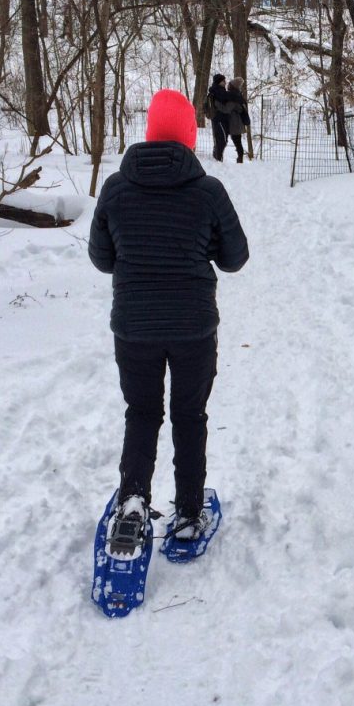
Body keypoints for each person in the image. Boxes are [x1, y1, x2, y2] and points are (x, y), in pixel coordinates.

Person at [88, 88, 249, 551]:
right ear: (189, 135)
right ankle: (188, 512)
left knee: (142, 412)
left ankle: (134, 502)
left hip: (134, 327)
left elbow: (102, 260)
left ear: (150, 133)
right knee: (188, 414)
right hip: (193, 328)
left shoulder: (116, 189)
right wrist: (204, 246)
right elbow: (236, 258)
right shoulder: (207, 191)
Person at [209, 74, 251, 163]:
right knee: (229, 140)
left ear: (233, 86)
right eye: (226, 82)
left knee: (236, 141)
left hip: (235, 123)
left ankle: (240, 160)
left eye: (230, 84)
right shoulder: (234, 95)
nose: (227, 84)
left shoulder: (233, 97)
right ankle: (238, 158)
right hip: (234, 122)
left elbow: (226, 109)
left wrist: (216, 103)